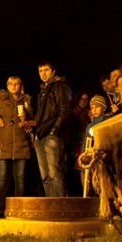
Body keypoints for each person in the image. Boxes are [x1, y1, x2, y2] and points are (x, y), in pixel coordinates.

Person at [0, 76, 33, 218]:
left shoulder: (26, 101)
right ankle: (1, 210)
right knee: (2, 178)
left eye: (16, 84)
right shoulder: (0, 100)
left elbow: (33, 120)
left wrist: (27, 121)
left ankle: (19, 210)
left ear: (20, 85)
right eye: (10, 84)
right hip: (2, 145)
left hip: (20, 144)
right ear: (7, 86)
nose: (13, 86)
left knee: (20, 178)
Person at [33, 60, 72, 198]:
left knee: (55, 173)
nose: (43, 73)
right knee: (45, 176)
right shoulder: (43, 91)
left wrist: (54, 130)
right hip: (40, 136)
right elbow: (42, 117)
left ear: (53, 71)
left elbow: (65, 111)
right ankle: (51, 207)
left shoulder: (59, 87)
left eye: (46, 70)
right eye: (40, 71)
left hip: (51, 135)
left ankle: (61, 207)